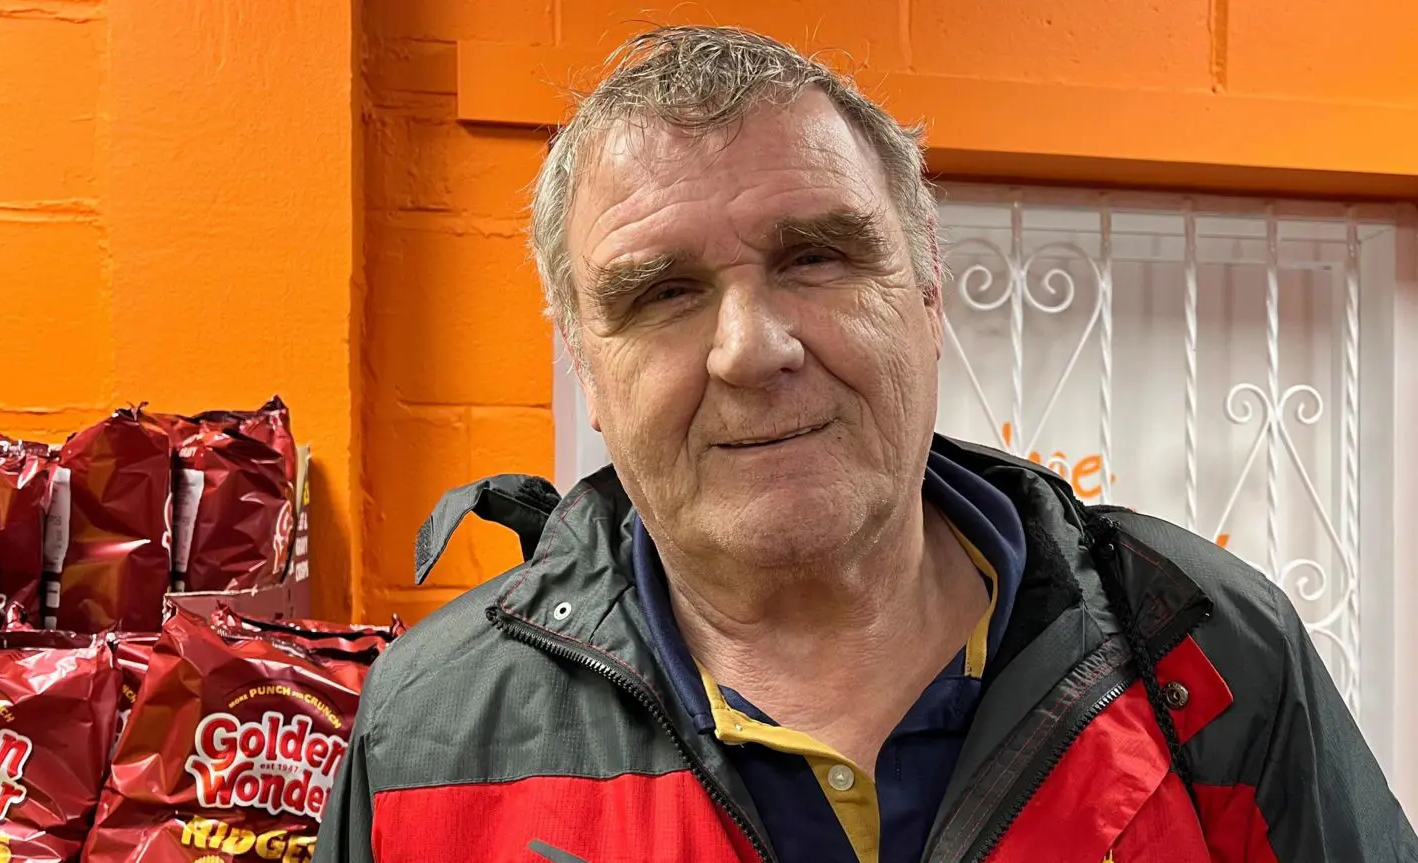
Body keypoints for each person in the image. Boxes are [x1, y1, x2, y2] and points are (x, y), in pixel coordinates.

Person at [315, 25, 1416, 863]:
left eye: (816, 257)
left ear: (928, 291)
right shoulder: (429, 736)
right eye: (663, 292)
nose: (752, 349)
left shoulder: (1209, 651)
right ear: (586, 368)